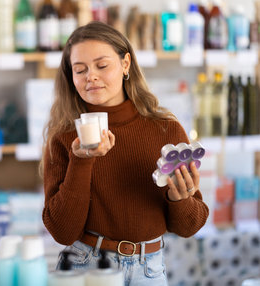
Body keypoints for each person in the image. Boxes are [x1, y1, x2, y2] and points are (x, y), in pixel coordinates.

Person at [41, 21, 209, 285]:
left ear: (125, 64)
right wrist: (81, 161)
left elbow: (189, 227)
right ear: (71, 77)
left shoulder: (166, 131)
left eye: (102, 65)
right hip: (87, 266)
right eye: (80, 70)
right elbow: (62, 231)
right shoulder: (64, 138)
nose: (90, 76)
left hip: (150, 270)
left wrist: (180, 199)